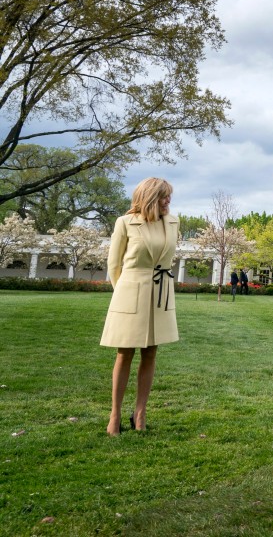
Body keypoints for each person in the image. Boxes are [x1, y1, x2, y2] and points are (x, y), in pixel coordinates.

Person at [99, 177, 180, 435]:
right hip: (130, 291)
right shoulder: (125, 223)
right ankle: (115, 414)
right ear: (149, 197)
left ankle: (141, 413)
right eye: (163, 196)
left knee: (151, 352)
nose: (168, 201)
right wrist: (124, 292)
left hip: (161, 292)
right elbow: (114, 266)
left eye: (169, 196)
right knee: (125, 353)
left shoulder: (173, 223)